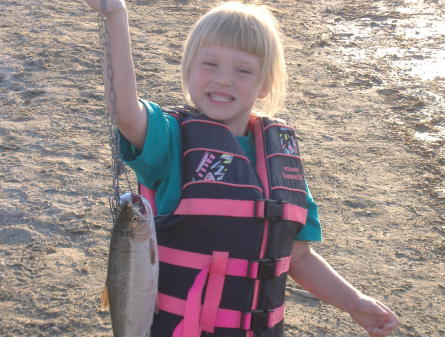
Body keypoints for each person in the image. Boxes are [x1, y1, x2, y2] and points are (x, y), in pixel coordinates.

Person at [84, 1, 400, 336]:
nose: (224, 80)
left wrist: (353, 302)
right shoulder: (171, 140)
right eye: (209, 64)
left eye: (243, 70)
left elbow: (298, 257)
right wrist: (116, 15)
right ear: (188, 70)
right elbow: (125, 112)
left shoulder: (281, 161)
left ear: (264, 84)